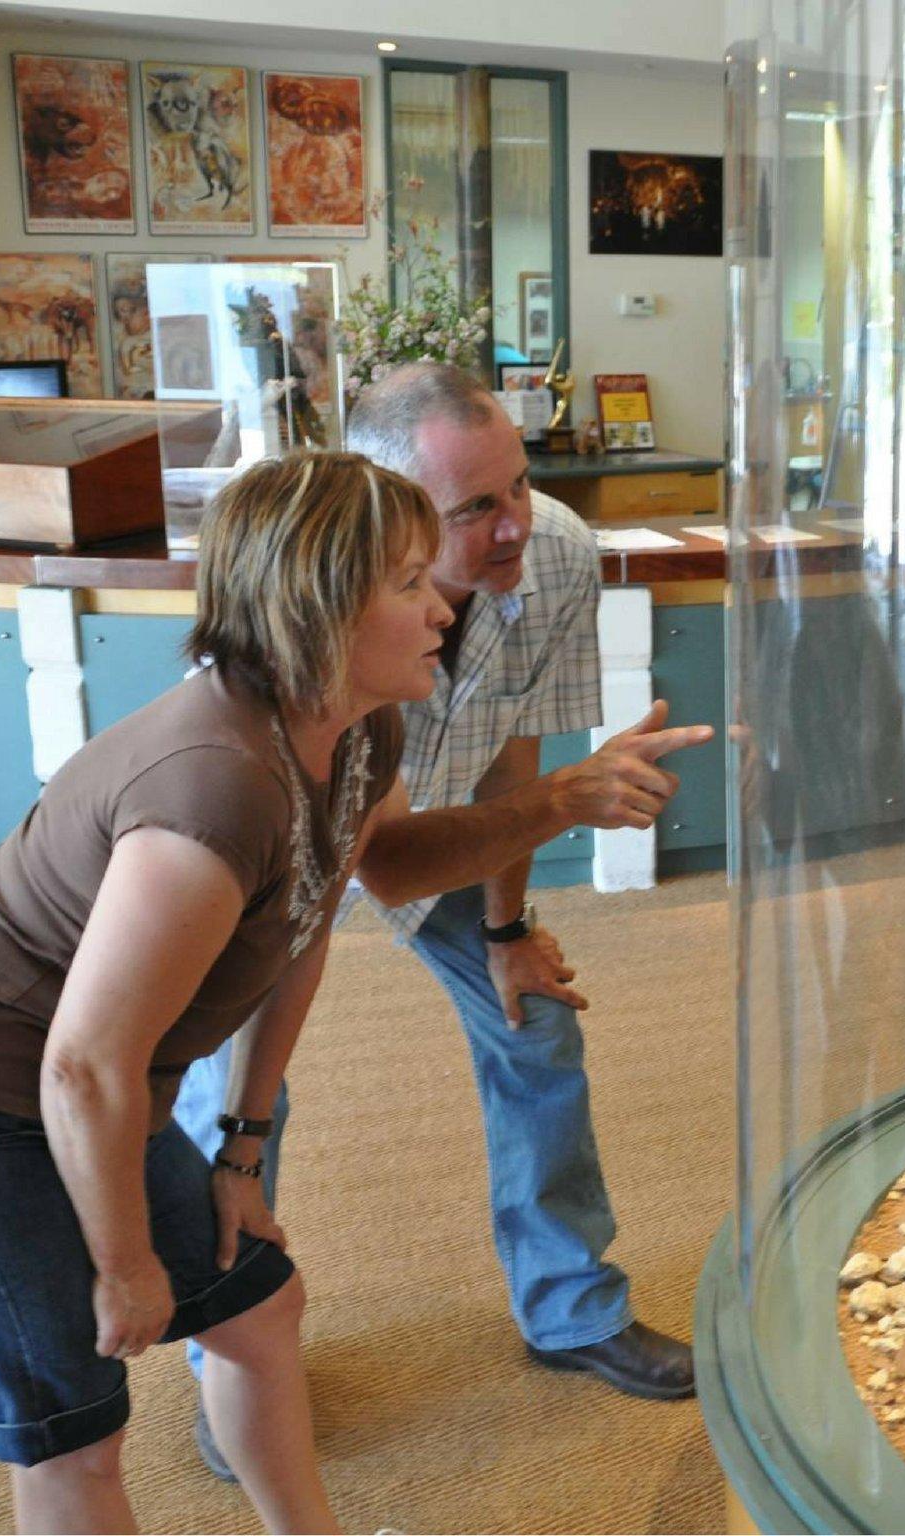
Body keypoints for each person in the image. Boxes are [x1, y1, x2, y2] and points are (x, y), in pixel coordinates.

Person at [0, 453, 705, 1532]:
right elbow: (82, 1065)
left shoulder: (353, 728)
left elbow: (320, 914)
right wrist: (121, 1267)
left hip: (88, 1085)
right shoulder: (208, 794)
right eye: (404, 582)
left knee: (258, 1309)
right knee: (77, 1441)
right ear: (320, 609)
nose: (437, 600)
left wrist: (243, 1150)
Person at [178, 363, 696, 1485]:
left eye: (517, 482)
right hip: (275, 858)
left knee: (537, 1025)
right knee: (227, 1096)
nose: (514, 525)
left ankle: (569, 1308)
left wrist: (509, 936)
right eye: (474, 510)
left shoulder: (550, 547)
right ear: (386, 507)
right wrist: (562, 804)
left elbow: (517, 751)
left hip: (455, 821)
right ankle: (232, 1366)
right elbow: (376, 861)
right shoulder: (300, 598)